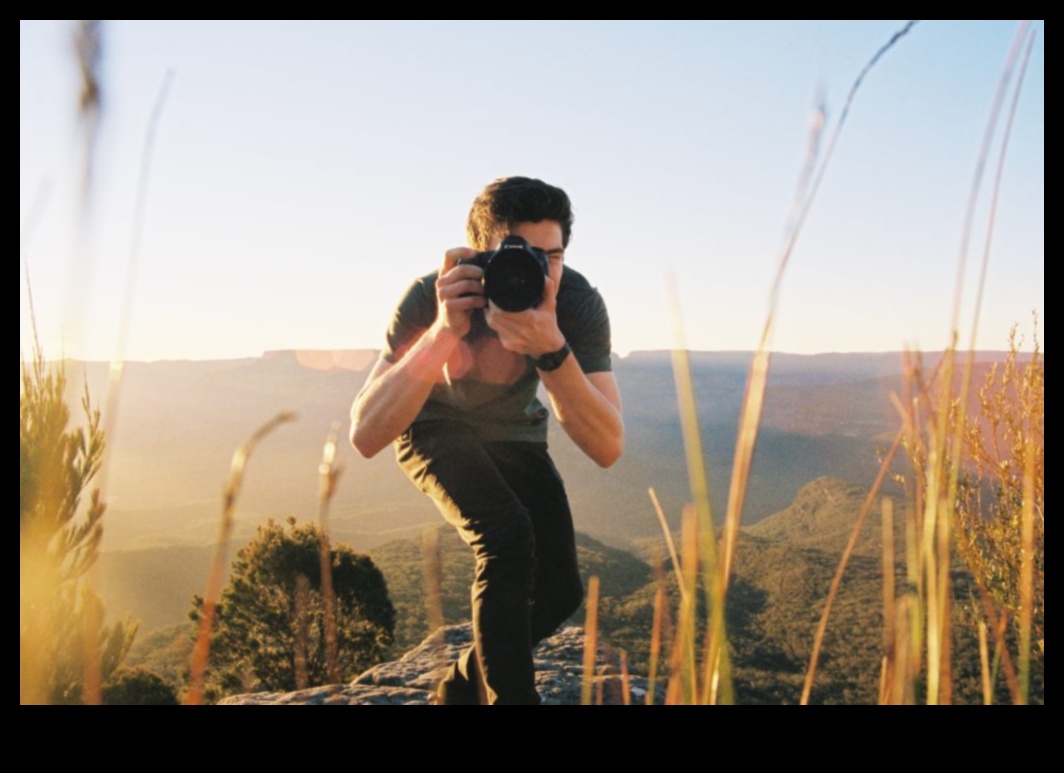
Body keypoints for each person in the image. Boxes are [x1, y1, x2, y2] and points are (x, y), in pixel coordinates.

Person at [350, 176, 623, 704]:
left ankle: (457, 691)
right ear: (480, 254)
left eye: (553, 255)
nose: (539, 271)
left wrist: (552, 349)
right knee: (506, 536)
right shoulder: (435, 295)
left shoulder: (578, 304)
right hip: (432, 424)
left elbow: (608, 445)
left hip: (516, 434)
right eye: (519, 255)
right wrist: (443, 331)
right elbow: (366, 432)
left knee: (559, 588)